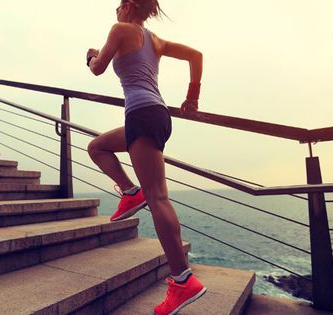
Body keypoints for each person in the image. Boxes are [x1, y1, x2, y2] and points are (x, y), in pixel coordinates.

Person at [85, 1, 206, 314]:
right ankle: (129, 192)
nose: (115, 10)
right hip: (154, 115)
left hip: (142, 115)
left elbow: (98, 68)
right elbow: (196, 56)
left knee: (158, 198)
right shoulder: (156, 40)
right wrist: (192, 97)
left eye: (118, 5)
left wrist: (91, 56)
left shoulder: (120, 30)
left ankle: (183, 281)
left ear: (127, 7)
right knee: (97, 146)